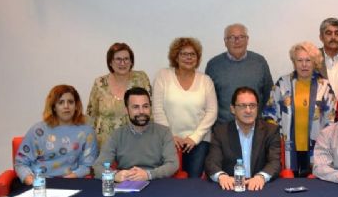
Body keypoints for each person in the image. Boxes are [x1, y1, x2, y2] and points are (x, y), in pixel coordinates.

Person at [263, 42, 336, 176]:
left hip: (317, 148)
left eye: (308, 60)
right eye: (299, 60)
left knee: (314, 185)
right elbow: (269, 114)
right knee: (289, 185)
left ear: (314, 62)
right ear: (294, 62)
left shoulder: (324, 86)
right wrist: (275, 141)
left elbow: (330, 119)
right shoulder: (282, 83)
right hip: (287, 148)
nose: (304, 64)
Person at [153, 37, 218, 178]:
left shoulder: (205, 80)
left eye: (192, 54)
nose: (189, 57)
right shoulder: (163, 76)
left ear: (197, 58)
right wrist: (170, 136)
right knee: (167, 181)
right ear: (176, 57)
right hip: (168, 139)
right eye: (184, 54)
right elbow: (157, 109)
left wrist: (195, 137)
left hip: (198, 141)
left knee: (193, 182)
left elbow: (212, 111)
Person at [15, 85, 98, 185]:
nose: (66, 106)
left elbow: (88, 165)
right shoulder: (38, 131)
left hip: (72, 182)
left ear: (76, 106)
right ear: (54, 107)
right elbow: (20, 163)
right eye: (61, 102)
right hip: (39, 183)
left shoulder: (87, 132)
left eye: (70, 102)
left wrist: (67, 180)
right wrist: (32, 182)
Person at [93, 87, 178, 181]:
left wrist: (148, 174)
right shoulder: (117, 135)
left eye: (145, 106)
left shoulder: (164, 132)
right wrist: (115, 175)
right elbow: (98, 167)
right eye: (136, 107)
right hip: (126, 182)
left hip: (155, 181)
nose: (141, 111)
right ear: (126, 110)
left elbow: (173, 164)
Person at [205, 87, 281, 191]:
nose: (248, 110)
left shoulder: (270, 131)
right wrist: (222, 176)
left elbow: (275, 162)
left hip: (260, 188)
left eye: (252, 105)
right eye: (242, 106)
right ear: (232, 109)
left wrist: (261, 177)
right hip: (231, 189)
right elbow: (212, 162)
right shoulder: (220, 132)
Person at [205, 23, 273, 123]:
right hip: (224, 127)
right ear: (225, 42)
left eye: (241, 37)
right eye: (232, 37)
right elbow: (208, 101)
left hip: (255, 126)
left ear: (247, 40)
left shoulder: (260, 62)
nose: (237, 41)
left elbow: (269, 95)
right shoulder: (213, 65)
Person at [86, 42, 151, 148]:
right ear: (110, 62)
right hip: (105, 146)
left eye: (126, 59)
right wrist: (88, 145)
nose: (123, 63)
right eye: (118, 59)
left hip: (136, 144)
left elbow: (150, 112)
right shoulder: (100, 83)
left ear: (131, 62)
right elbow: (91, 115)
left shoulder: (141, 79)